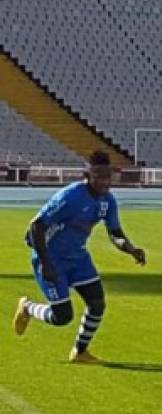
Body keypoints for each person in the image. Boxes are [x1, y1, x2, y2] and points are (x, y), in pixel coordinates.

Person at [13, 150, 146, 363]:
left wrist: (130, 249)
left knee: (97, 303)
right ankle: (28, 307)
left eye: (107, 176)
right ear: (88, 176)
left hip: (78, 258)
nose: (104, 181)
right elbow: (35, 226)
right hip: (51, 258)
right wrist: (46, 263)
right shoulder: (70, 196)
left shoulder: (107, 201)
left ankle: (79, 351)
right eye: (99, 176)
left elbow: (115, 233)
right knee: (62, 317)